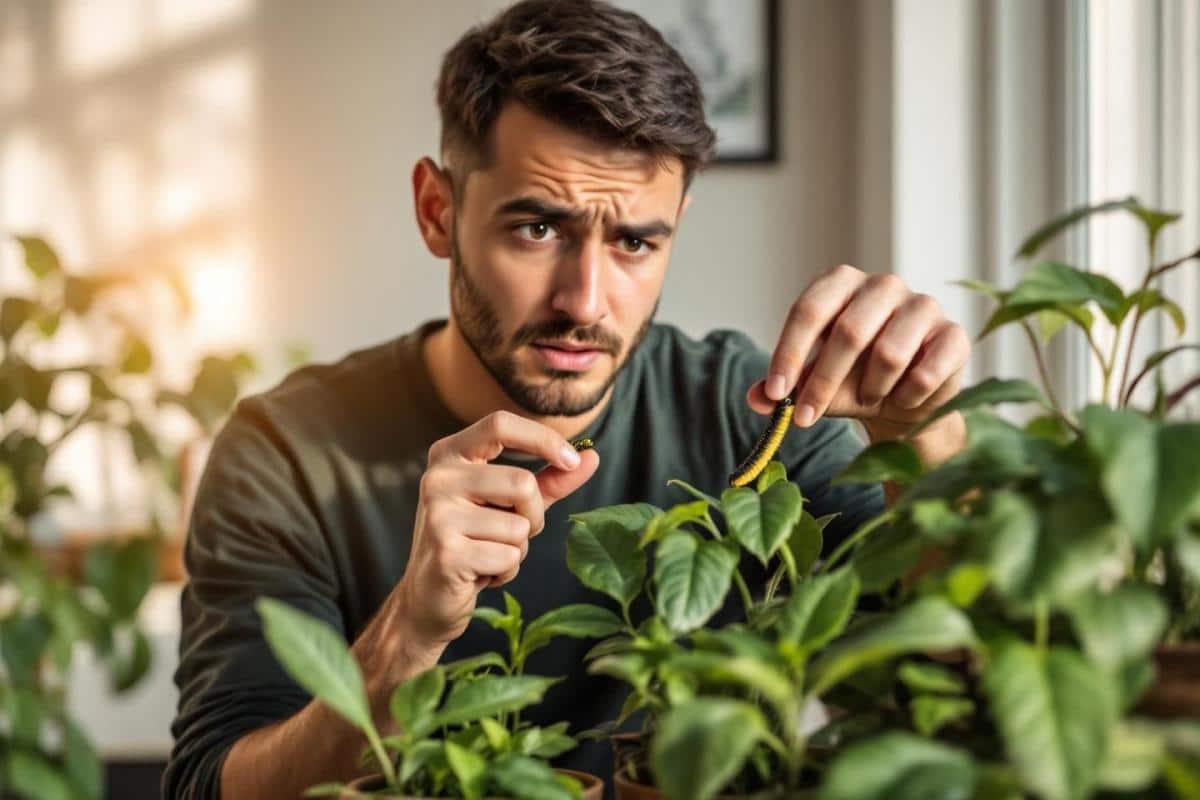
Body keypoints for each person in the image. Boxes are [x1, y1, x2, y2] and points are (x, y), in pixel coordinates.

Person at [164, 1, 970, 797]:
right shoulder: (288, 451)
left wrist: (922, 438)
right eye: (538, 230)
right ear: (438, 210)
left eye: (634, 242)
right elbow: (211, 786)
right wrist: (406, 636)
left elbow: (955, 693)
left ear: (675, 227)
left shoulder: (753, 415)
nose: (585, 301)